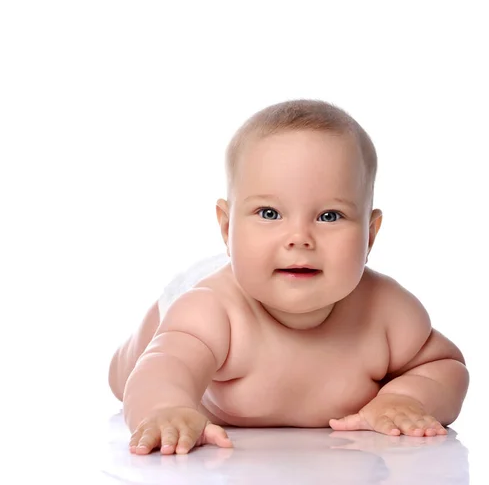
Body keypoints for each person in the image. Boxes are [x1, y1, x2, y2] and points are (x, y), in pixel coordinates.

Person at [108, 99, 469, 455]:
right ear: (227, 226)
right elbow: (166, 366)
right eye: (269, 213)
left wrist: (405, 397)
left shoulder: (387, 311)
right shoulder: (213, 311)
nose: (299, 238)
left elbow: (445, 366)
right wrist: (164, 409)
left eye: (329, 216)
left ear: (370, 235)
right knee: (128, 375)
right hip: (195, 295)